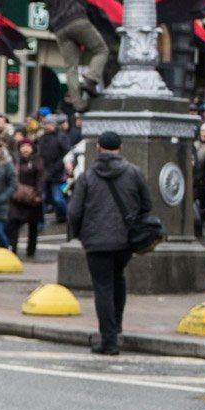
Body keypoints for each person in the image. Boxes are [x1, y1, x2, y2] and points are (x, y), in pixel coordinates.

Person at [67, 131, 152, 355]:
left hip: (95, 240)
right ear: (121, 148)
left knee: (102, 287)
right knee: (118, 279)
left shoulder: (87, 176)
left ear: (98, 148)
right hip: (124, 240)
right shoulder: (134, 173)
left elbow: (74, 211)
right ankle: (117, 325)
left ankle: (109, 340)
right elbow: (147, 204)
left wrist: (77, 233)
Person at [27, 0, 126, 109]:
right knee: (101, 49)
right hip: (77, 21)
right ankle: (91, 80)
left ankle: (78, 104)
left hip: (59, 30)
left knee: (70, 66)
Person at [7, 138, 46, 257]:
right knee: (14, 224)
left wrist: (38, 194)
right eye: (23, 146)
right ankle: (12, 249)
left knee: (33, 226)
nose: (25, 149)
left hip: (32, 198)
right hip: (16, 197)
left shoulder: (37, 161)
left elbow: (41, 178)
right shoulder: (14, 161)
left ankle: (31, 251)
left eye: (28, 146)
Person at [37, 116, 71, 223]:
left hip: (57, 173)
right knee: (42, 198)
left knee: (58, 199)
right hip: (43, 173)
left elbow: (66, 154)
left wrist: (57, 167)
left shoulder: (62, 137)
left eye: (49, 124)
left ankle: (66, 215)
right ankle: (40, 221)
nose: (47, 127)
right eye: (46, 124)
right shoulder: (42, 138)